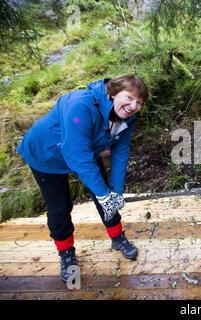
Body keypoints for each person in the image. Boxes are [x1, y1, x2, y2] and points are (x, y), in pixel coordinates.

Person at [17, 74, 150, 282]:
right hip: (47, 155)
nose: (133, 106)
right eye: (129, 98)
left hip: (85, 151)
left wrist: (115, 191)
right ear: (114, 93)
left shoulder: (127, 116)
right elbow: (77, 155)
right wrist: (104, 194)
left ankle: (117, 237)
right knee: (60, 207)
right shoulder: (80, 105)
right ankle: (66, 254)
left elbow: (121, 151)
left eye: (139, 102)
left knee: (105, 196)